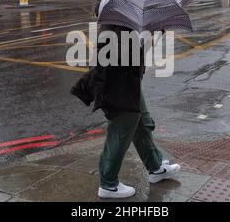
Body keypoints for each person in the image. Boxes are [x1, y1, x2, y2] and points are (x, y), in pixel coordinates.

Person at [71, 25, 181, 199]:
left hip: (129, 81)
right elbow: (126, 55)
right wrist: (150, 38)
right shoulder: (119, 22)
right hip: (119, 85)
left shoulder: (127, 18)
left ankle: (155, 167)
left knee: (142, 123)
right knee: (121, 129)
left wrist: (152, 33)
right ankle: (108, 184)